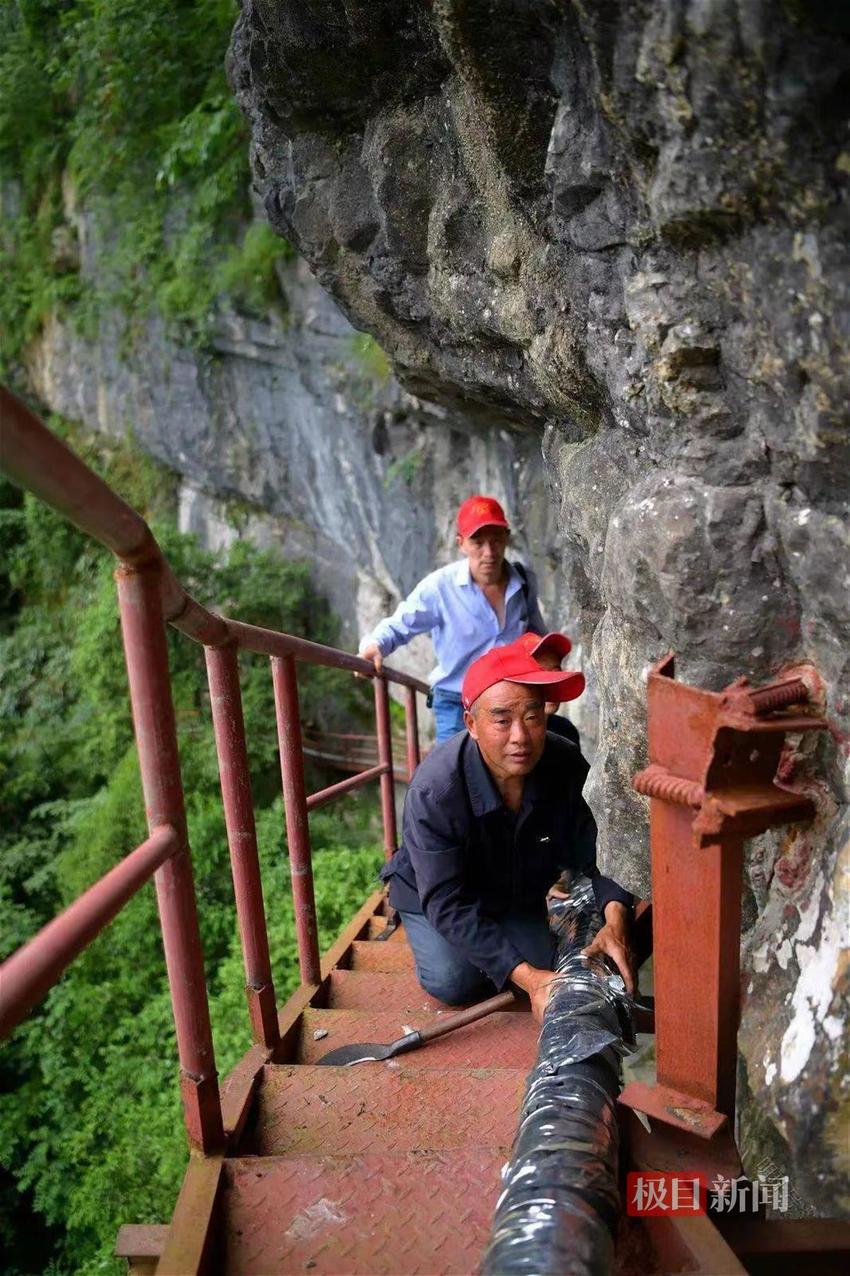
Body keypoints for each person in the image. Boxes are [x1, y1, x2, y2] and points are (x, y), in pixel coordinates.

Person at [381, 642, 635, 1022]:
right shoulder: (435, 791)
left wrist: (616, 920)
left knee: (539, 957)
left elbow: (599, 848)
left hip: (509, 888)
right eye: (501, 720)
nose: (520, 736)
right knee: (453, 982)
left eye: (532, 717)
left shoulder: (563, 762)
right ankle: (423, 932)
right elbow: (446, 901)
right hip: (435, 893)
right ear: (471, 724)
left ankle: (501, 943)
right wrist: (531, 981)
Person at [358, 495, 546, 741]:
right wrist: (375, 645)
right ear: (461, 544)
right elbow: (401, 623)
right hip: (457, 704)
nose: (489, 552)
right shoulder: (440, 587)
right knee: (453, 774)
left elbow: (536, 634)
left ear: (507, 538)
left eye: (496, 540)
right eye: (478, 542)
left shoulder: (523, 582)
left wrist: (547, 662)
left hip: (511, 699)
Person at [515, 630, 581, 747]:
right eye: (540, 676)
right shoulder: (509, 737)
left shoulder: (566, 731)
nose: (551, 683)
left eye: (555, 673)